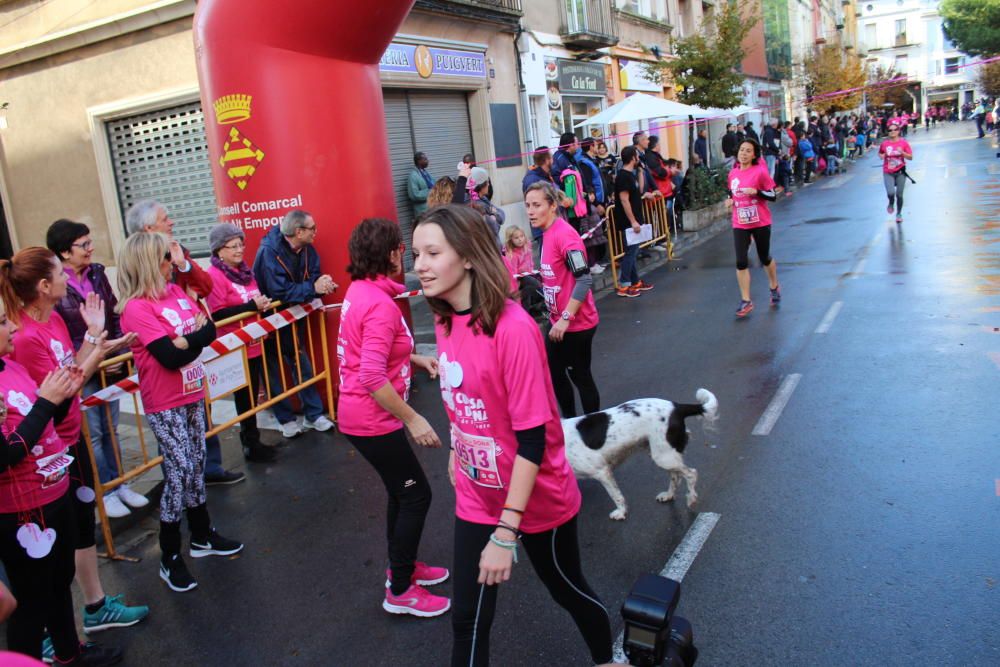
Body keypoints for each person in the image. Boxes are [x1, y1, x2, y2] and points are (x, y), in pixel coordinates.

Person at [411, 204, 613, 667]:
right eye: (417, 253)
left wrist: (507, 532)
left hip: (536, 497)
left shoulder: (514, 328)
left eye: (432, 252)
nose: (419, 264)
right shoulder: (444, 319)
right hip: (477, 495)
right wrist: (457, 448)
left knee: (568, 590)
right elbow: (464, 396)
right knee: (468, 619)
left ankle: (606, 659)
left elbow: (532, 439)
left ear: (466, 256)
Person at [1, 247, 149, 646]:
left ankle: (92, 609)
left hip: (69, 439)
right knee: (43, 566)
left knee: (80, 529)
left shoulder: (52, 322)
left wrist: (97, 341)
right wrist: (97, 348)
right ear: (44, 286)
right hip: (44, 459)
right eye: (59, 273)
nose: (69, 278)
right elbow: (53, 398)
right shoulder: (25, 339)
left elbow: (71, 373)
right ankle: (53, 633)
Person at [117, 232, 243, 593]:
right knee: (180, 470)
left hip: (191, 391)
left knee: (197, 461)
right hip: (165, 399)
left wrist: (188, 340)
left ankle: (202, 535)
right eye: (163, 258)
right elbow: (168, 357)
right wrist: (191, 340)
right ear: (146, 263)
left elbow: (211, 327)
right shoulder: (137, 308)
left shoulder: (174, 292)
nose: (170, 264)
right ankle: (169, 554)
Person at [337, 218, 450, 618]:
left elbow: (368, 352)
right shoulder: (380, 304)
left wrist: (413, 358)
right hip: (372, 419)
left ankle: (403, 566)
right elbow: (369, 375)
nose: (409, 256)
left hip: (363, 416)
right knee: (417, 494)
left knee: (402, 493)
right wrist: (414, 418)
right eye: (405, 249)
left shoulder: (362, 290)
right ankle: (400, 588)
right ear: (390, 254)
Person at [0, 304, 124, 666]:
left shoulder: (12, 366)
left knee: (59, 584)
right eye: (3, 322)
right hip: (22, 511)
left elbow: (46, 416)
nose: (11, 327)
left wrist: (85, 361)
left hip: (54, 494)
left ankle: (70, 654)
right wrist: (45, 401)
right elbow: (5, 455)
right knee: (32, 603)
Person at [124, 201, 242, 486]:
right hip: (167, 388)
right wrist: (183, 341)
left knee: (202, 419)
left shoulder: (178, 255)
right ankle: (183, 498)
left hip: (192, 369)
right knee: (179, 462)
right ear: (149, 229)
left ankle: (209, 470)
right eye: (166, 219)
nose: (172, 223)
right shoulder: (139, 266)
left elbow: (205, 290)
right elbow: (166, 351)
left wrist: (184, 265)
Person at [46, 219, 149, 519]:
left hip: (107, 359)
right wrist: (89, 354)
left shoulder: (98, 273)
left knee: (111, 428)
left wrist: (117, 347)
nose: (91, 249)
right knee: (92, 433)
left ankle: (120, 483)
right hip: (80, 365)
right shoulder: (55, 284)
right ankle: (104, 490)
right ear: (65, 252)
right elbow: (63, 330)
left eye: (90, 242)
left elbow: (113, 312)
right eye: (84, 244)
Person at [252, 210, 337, 438]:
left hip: (293, 317)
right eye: (312, 228)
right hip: (268, 321)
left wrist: (322, 282)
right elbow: (278, 290)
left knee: (301, 362)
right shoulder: (269, 252)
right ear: (298, 232)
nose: (316, 232)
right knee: (271, 368)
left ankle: (314, 415)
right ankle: (285, 419)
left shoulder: (308, 250)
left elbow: (314, 275)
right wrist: (312, 288)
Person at [525, 182, 601, 418]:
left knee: (580, 376)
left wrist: (566, 318)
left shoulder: (565, 235)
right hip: (558, 322)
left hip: (576, 324)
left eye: (537, 205)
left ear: (553, 206)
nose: (530, 211)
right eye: (528, 205)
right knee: (555, 373)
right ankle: (570, 424)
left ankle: (592, 428)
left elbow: (584, 280)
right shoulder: (546, 234)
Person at [205, 223, 278, 463]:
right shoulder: (214, 276)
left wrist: (262, 306)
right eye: (232, 246)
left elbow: (252, 300)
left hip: (253, 341)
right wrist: (251, 308)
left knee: (253, 394)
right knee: (244, 398)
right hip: (233, 346)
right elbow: (218, 314)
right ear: (219, 251)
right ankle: (249, 444)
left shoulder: (246, 272)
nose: (239, 250)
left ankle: (254, 440)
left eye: (241, 244)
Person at [726, 139, 781, 318]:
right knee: (741, 261)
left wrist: (756, 192)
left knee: (764, 257)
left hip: (760, 221)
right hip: (740, 221)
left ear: (754, 155)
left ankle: (773, 285)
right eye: (742, 150)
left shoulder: (760, 172)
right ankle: (746, 300)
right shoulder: (733, 173)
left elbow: (772, 195)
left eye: (748, 151)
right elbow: (732, 192)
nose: (743, 153)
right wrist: (730, 201)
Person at [614, 146, 656, 298]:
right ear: (633, 157)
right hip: (628, 221)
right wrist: (632, 221)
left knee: (633, 251)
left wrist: (640, 172)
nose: (639, 158)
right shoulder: (623, 177)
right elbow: (624, 200)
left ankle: (635, 281)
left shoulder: (630, 175)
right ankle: (624, 285)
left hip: (634, 219)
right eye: (637, 156)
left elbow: (638, 190)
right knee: (631, 252)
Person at [503, 226, 544, 315]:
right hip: (520, 278)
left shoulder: (527, 245)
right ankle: (545, 297)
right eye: (516, 238)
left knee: (527, 296)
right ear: (510, 240)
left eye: (522, 236)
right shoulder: (512, 255)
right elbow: (512, 272)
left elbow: (530, 260)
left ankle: (527, 312)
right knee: (537, 285)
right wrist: (515, 285)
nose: (520, 239)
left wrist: (532, 270)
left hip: (529, 273)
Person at [878, 123, 912, 224]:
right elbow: (880, 152)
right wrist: (881, 156)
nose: (892, 131)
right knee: (891, 193)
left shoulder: (903, 143)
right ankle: (891, 202)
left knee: (899, 195)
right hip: (888, 172)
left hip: (900, 171)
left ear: (898, 131)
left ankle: (899, 214)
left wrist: (902, 153)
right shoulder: (885, 144)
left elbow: (910, 157)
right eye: (890, 130)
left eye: (894, 129)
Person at [408, 152, 434, 217]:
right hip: (422, 211)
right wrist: (431, 192)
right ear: (419, 161)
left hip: (431, 209)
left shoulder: (425, 173)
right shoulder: (413, 176)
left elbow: (433, 185)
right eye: (425, 159)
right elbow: (414, 195)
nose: (427, 161)